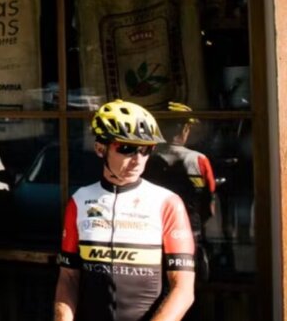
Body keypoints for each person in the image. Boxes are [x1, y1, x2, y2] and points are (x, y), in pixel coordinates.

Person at [54, 99, 195, 321]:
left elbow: (184, 289)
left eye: (146, 150)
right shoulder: (79, 201)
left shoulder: (167, 203)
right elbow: (69, 277)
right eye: (127, 149)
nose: (138, 160)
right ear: (100, 148)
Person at [142, 102, 216, 282]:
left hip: (149, 234)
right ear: (185, 129)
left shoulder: (142, 157)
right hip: (190, 232)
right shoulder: (198, 160)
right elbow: (210, 204)